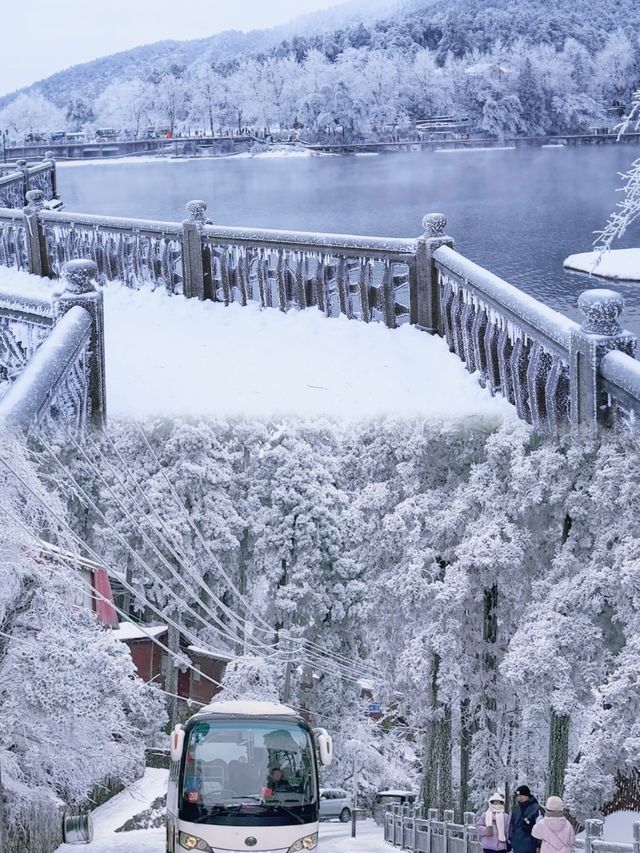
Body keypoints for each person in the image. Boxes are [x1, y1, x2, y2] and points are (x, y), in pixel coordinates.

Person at [510, 785, 542, 853]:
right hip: (517, 846)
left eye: (521, 796)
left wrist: (538, 845)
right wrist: (511, 838)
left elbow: (540, 828)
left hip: (531, 846)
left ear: (527, 796)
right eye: (518, 796)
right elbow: (511, 825)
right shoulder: (515, 809)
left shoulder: (536, 809)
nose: (519, 798)